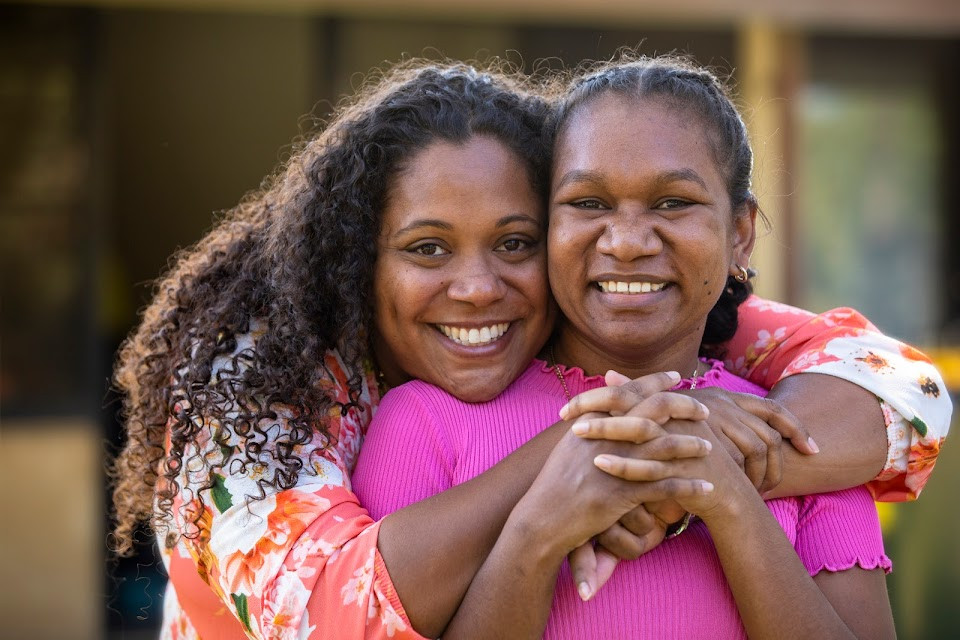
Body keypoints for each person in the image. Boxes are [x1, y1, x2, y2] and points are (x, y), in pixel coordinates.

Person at [109, 60, 950, 639]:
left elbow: (898, 388)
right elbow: (344, 611)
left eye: (514, 242)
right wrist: (594, 457)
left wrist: (704, 458)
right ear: (355, 259)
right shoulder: (262, 394)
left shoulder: (706, 347)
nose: (477, 289)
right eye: (427, 248)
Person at [352, 55, 930, 638]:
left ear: (740, 234)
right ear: (545, 226)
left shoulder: (792, 447)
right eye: (589, 203)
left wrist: (724, 493)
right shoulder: (422, 422)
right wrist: (540, 527)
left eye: (673, 202)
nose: (626, 243)